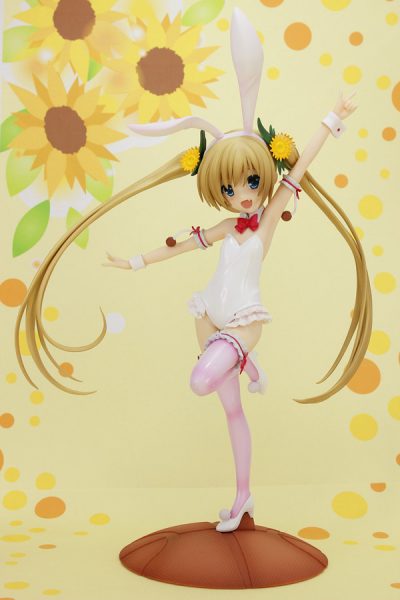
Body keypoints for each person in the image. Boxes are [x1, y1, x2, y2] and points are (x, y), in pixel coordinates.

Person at [15, 8, 371, 533]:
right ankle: (243, 496)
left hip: (242, 322)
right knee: (233, 413)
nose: (243, 194)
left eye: (251, 182)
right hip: (209, 317)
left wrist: (331, 118)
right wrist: (134, 261)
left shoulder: (265, 222)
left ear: (263, 178)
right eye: (230, 187)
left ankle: (246, 362)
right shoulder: (227, 227)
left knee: (202, 381)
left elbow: (299, 168)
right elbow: (182, 245)